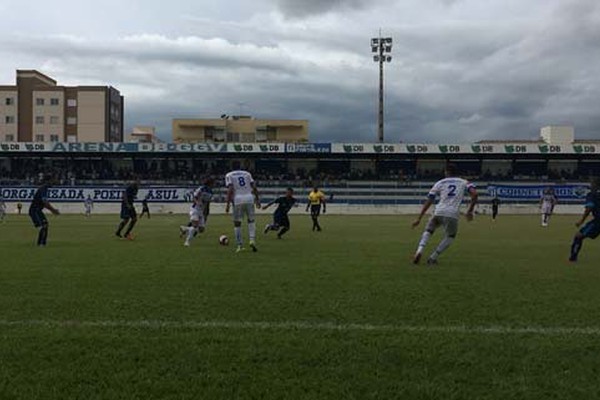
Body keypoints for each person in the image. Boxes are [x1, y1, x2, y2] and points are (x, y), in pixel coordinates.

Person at [412, 164, 478, 265]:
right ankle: (432, 258)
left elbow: (430, 199)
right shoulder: (464, 182)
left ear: (446, 172)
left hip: (438, 211)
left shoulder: (440, 182)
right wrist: (470, 211)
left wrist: (419, 218)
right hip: (452, 213)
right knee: (450, 236)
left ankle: (419, 251)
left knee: (428, 230)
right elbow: (475, 194)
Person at [225, 163, 260, 253]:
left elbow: (230, 189)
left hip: (238, 199)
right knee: (251, 220)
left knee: (237, 223)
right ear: (240, 167)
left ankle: (240, 245)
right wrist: (257, 199)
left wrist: (228, 204)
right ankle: (252, 240)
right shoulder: (247, 174)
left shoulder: (229, 175)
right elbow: (254, 187)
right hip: (249, 198)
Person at [569, 179, 600, 262]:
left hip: (598, 222)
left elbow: (589, 208)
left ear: (596, 186)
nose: (590, 186)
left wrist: (581, 220)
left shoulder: (591, 195)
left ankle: (573, 258)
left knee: (578, 236)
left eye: (592, 184)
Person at [29, 177, 60, 246]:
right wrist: (53, 210)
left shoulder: (44, 189)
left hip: (37, 210)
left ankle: (42, 243)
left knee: (45, 224)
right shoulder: (43, 189)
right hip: (35, 211)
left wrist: (52, 210)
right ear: (48, 181)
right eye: (52, 181)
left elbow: (44, 204)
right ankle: (41, 244)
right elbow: (45, 202)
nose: (53, 183)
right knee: (43, 226)